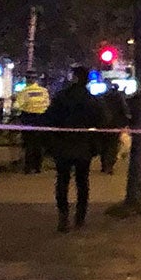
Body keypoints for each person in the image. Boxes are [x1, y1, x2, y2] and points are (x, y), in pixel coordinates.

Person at [42, 67, 102, 231]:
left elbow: (50, 118)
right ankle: (80, 218)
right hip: (84, 146)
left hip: (63, 145)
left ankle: (63, 217)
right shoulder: (91, 100)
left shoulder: (62, 97)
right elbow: (101, 120)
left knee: (62, 180)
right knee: (82, 182)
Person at [96, 80, 129, 176]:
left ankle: (104, 164)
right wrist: (125, 122)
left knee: (104, 145)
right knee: (113, 145)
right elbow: (124, 110)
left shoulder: (102, 97)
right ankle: (109, 165)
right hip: (115, 125)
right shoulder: (119, 98)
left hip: (103, 125)